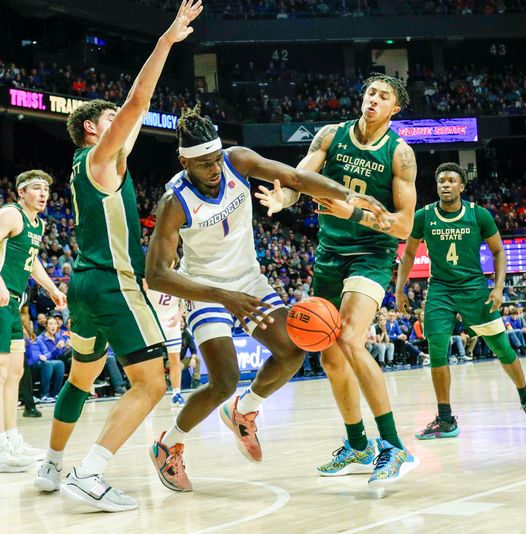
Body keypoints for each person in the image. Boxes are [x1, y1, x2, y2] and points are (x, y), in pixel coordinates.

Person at [144, 105, 385, 492]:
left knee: (293, 350)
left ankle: (245, 410)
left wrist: (348, 196)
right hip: (204, 289)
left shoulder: (236, 160)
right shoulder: (174, 202)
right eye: (204, 164)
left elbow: (294, 176)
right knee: (223, 381)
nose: (214, 168)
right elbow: (155, 275)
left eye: (215, 159)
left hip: (249, 280)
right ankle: (168, 444)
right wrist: (224, 296)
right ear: (184, 162)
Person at [34, 1, 203, 512]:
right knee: (153, 382)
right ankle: (90, 473)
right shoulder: (101, 156)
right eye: (111, 121)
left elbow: (129, 112)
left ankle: (51, 464)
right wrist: (165, 42)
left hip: (83, 284)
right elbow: (137, 99)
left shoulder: (86, 164)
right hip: (112, 282)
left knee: (81, 378)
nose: (123, 123)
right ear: (92, 129)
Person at [292, 73, 420, 487]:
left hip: (373, 254)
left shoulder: (400, 155)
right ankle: (357, 444)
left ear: (394, 109)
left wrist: (357, 215)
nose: (373, 100)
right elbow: (301, 178)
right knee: (329, 355)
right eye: (370, 93)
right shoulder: (331, 135)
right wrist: (284, 196)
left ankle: (394, 446)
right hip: (329, 252)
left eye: (383, 97)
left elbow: (402, 228)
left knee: (348, 338)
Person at [396, 162, 526, 440]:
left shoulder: (479, 215)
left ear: (462, 186)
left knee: (502, 349)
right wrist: (400, 290)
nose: (446, 184)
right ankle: (445, 419)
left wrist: (498, 288)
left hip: (474, 289)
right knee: (437, 350)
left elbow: (499, 252)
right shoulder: (424, 216)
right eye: (442, 181)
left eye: (452, 180)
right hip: (439, 289)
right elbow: (407, 255)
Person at [0, 169, 66, 473]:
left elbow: (31, 259)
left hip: (12, 300)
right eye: (36, 188)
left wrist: (51, 288)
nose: (42, 194)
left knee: (15, 371)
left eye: (46, 189)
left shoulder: (37, 224)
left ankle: (12, 440)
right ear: (21, 192)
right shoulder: (10, 214)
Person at [145, 276, 186, 407]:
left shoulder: (178, 276)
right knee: (151, 362)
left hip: (172, 324)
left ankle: (176, 393)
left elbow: (184, 302)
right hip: (153, 323)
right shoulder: (149, 275)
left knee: (175, 360)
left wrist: (179, 315)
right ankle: (148, 394)